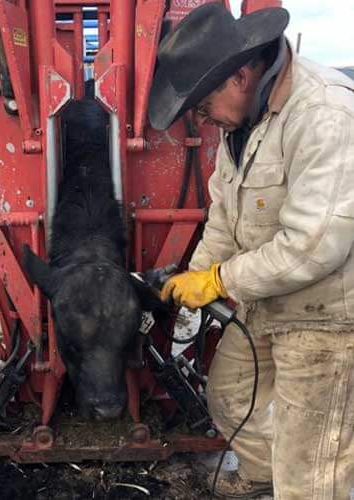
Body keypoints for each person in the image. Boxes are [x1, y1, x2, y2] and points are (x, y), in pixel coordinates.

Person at [148, 3, 354, 499]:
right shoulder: (240, 127)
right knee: (229, 394)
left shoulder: (324, 113)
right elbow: (223, 219)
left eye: (201, 107)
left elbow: (314, 246)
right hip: (270, 298)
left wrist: (219, 283)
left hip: (330, 316)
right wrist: (192, 281)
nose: (202, 119)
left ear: (240, 76)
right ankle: (263, 474)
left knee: (310, 467)